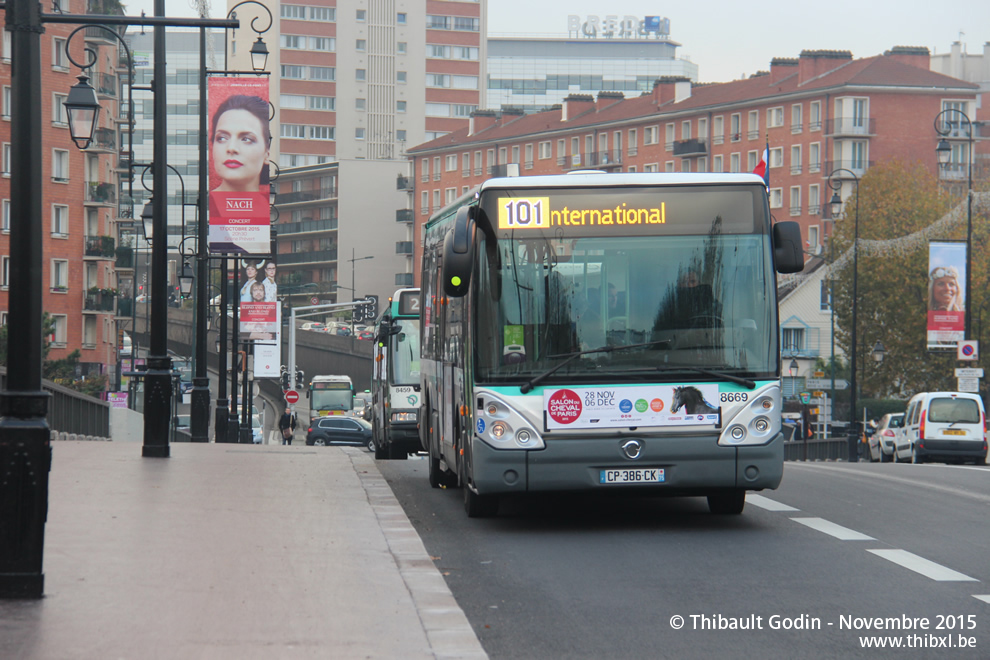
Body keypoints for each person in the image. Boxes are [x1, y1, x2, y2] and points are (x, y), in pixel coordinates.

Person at [211, 94, 271, 193]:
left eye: (247, 139)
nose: (231, 148)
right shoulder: (205, 206)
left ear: (268, 153)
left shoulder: (272, 206)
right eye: (221, 138)